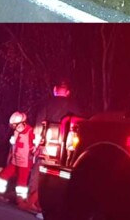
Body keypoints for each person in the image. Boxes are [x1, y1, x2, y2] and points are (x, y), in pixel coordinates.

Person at [26, 79, 86, 211]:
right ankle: (43, 203)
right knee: (54, 176)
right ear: (68, 92)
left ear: (55, 90)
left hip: (46, 145)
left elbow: (38, 125)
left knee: (39, 171)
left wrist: (36, 144)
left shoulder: (47, 104)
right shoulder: (74, 106)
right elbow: (80, 126)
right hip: (64, 149)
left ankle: (31, 200)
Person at [0, 111, 35, 207]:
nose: (14, 127)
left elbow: (33, 147)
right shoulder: (16, 132)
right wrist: (10, 156)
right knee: (3, 176)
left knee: (22, 182)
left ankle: (20, 201)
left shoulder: (30, 132)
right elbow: (13, 146)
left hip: (25, 162)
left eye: (15, 125)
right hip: (15, 160)